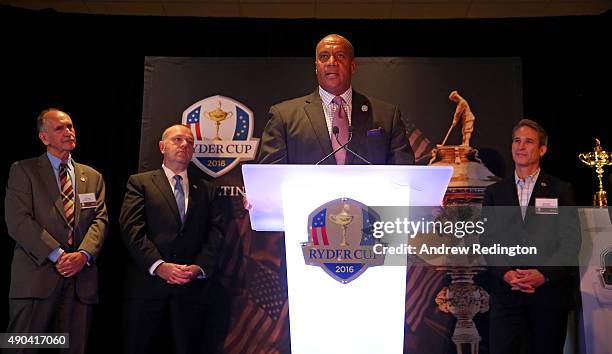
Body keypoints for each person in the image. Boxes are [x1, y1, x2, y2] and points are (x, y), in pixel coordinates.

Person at [4, 108, 108, 354]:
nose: (68, 132)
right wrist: (59, 255)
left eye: (70, 126)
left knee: (73, 347)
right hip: (36, 278)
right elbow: (18, 221)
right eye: (60, 128)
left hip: (79, 282)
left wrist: (82, 255)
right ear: (44, 138)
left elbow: (100, 221)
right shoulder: (23, 170)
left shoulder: (93, 177)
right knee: (20, 347)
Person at [119, 124, 224, 354]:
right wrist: (159, 266)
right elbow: (131, 229)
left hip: (190, 290)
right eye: (177, 140)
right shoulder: (140, 183)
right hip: (148, 289)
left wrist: (199, 267)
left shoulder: (206, 188)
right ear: (162, 147)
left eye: (189, 142)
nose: (184, 145)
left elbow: (216, 233)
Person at [483, 119, 580, 354]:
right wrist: (506, 274)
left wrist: (544, 275)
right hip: (507, 297)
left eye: (528, 141)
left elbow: (571, 241)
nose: (521, 146)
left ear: (542, 150)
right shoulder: (495, 192)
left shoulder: (560, 190)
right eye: (517, 140)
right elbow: (486, 241)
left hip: (547, 297)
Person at [258, 33, 414, 165]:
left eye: (340, 56)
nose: (331, 62)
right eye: (324, 57)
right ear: (316, 67)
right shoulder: (283, 116)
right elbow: (269, 176)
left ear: (352, 66)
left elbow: (405, 173)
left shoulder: (387, 115)